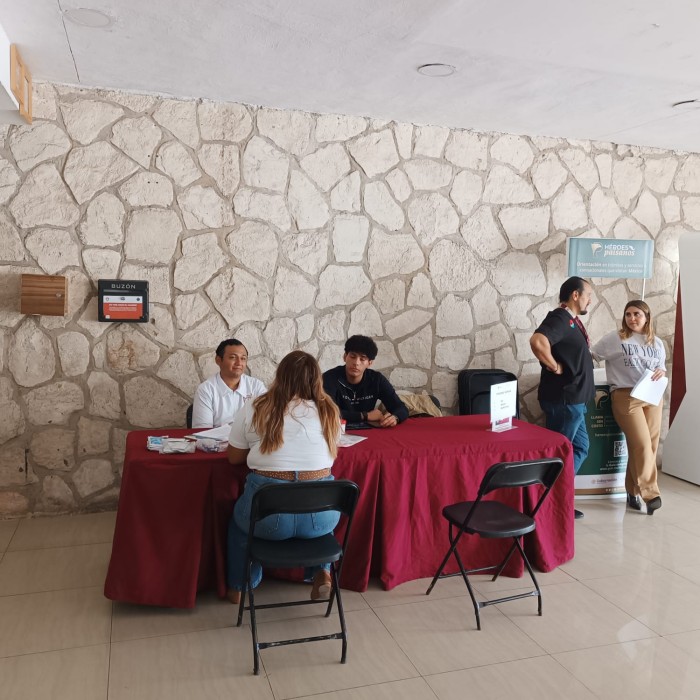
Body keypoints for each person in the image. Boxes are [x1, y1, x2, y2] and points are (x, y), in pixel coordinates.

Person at [226, 350, 342, 604]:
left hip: (268, 520)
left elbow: (234, 458)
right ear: (317, 379)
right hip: (319, 522)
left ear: (280, 376)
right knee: (320, 504)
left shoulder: (255, 407)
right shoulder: (329, 410)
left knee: (240, 525)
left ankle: (240, 586)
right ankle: (322, 572)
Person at [591, 300, 666, 515]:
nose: (632, 318)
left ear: (647, 317)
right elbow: (591, 355)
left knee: (649, 446)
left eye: (637, 314)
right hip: (626, 396)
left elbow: (660, 367)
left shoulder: (657, 343)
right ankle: (651, 494)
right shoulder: (615, 339)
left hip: (652, 396)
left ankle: (632, 492)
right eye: (628, 314)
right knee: (641, 444)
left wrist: (661, 371)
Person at [530, 276, 594, 519]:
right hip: (565, 402)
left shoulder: (571, 322)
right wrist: (555, 366)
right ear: (575, 295)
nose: (590, 300)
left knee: (580, 448)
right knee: (558, 454)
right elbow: (538, 341)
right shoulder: (560, 318)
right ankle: (546, 506)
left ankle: (557, 499)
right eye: (588, 295)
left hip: (574, 402)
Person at [322, 335, 409, 428]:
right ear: (345, 357)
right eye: (352, 356)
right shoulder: (329, 378)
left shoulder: (377, 380)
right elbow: (326, 411)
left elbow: (401, 408)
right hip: (335, 429)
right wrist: (365, 416)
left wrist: (395, 417)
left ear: (369, 363)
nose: (356, 363)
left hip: (368, 431)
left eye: (362, 359)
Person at [191, 338, 266, 429]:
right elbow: (202, 432)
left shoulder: (256, 386)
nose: (239, 363)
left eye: (243, 358)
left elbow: (267, 421)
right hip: (217, 438)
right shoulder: (206, 390)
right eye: (233, 357)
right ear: (218, 360)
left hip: (249, 438)